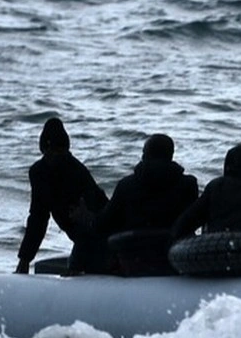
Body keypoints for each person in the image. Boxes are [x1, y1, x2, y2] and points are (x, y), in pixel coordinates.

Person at [94, 133, 199, 275]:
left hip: (133, 258)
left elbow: (106, 223)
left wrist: (87, 218)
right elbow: (192, 221)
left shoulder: (126, 185)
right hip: (174, 257)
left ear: (145, 155)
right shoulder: (189, 185)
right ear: (171, 155)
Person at [15, 117, 109, 275]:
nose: (56, 156)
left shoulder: (77, 172)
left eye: (60, 151)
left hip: (102, 237)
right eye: (51, 151)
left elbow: (92, 223)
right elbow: (38, 218)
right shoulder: (39, 173)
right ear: (44, 150)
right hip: (82, 238)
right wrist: (25, 259)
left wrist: (76, 266)